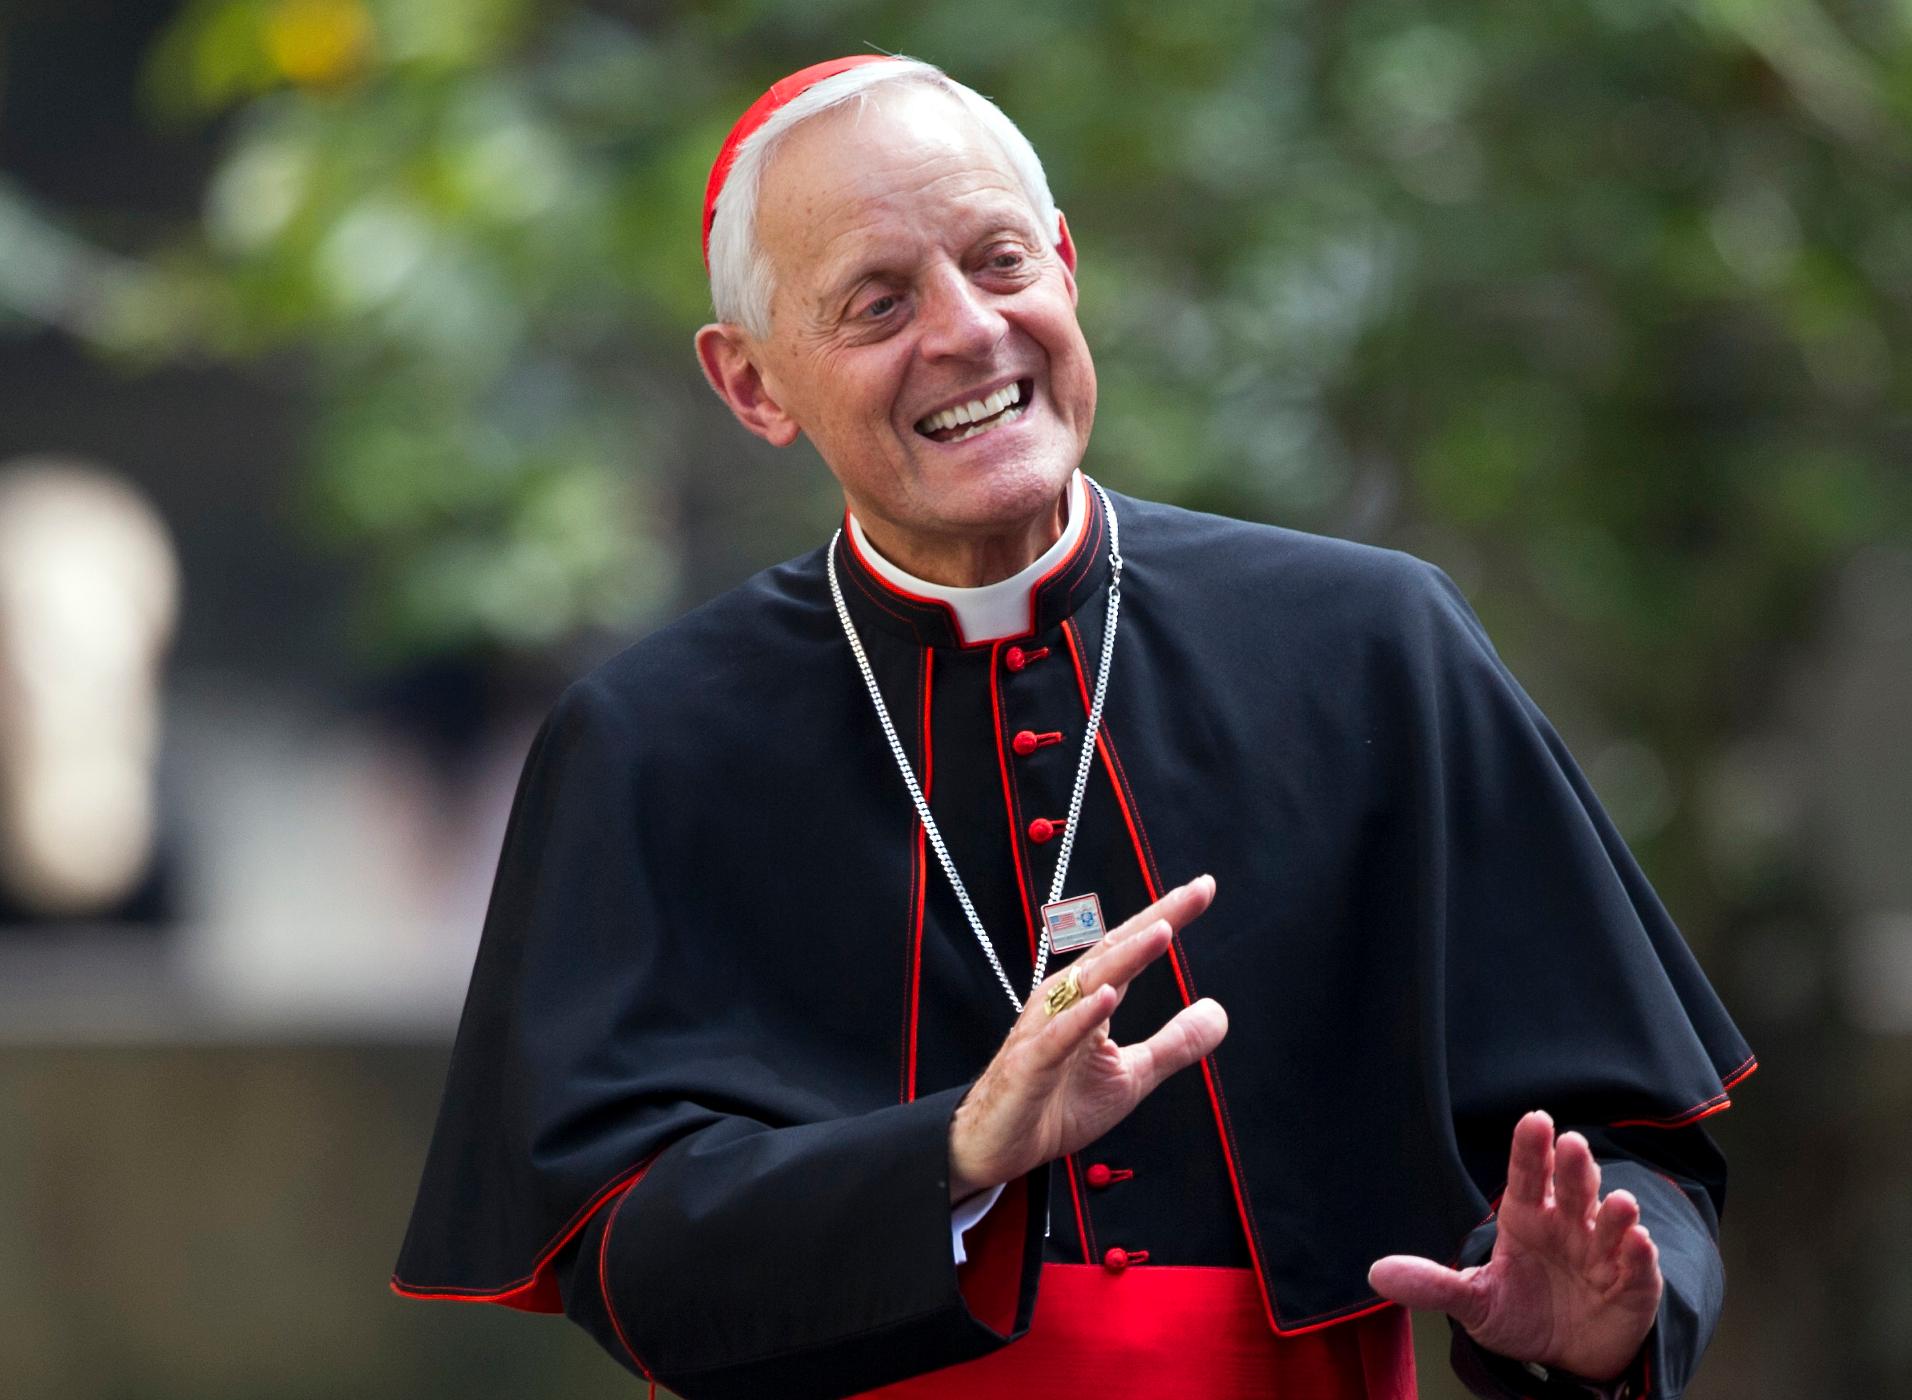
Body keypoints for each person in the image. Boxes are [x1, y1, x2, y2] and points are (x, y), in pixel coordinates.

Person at [392, 54, 1755, 1400]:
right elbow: (617, 1253)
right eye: (878, 303)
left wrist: (1599, 1335)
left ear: (1066, 267)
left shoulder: (1370, 648)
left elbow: (1627, 1142)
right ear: (753, 385)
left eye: (998, 263)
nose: (968, 332)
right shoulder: (651, 745)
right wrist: (954, 1156)